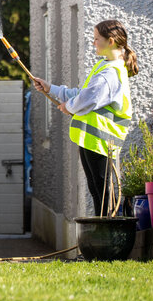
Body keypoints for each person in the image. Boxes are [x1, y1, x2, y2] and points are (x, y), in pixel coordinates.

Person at [32, 19, 139, 216]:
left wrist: (69, 107)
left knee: (103, 191)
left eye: (97, 39)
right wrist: (51, 88)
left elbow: (88, 100)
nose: (93, 43)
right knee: (97, 189)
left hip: (101, 141)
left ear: (111, 41)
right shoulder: (104, 66)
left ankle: (106, 234)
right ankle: (102, 230)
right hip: (92, 140)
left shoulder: (111, 73)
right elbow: (81, 94)